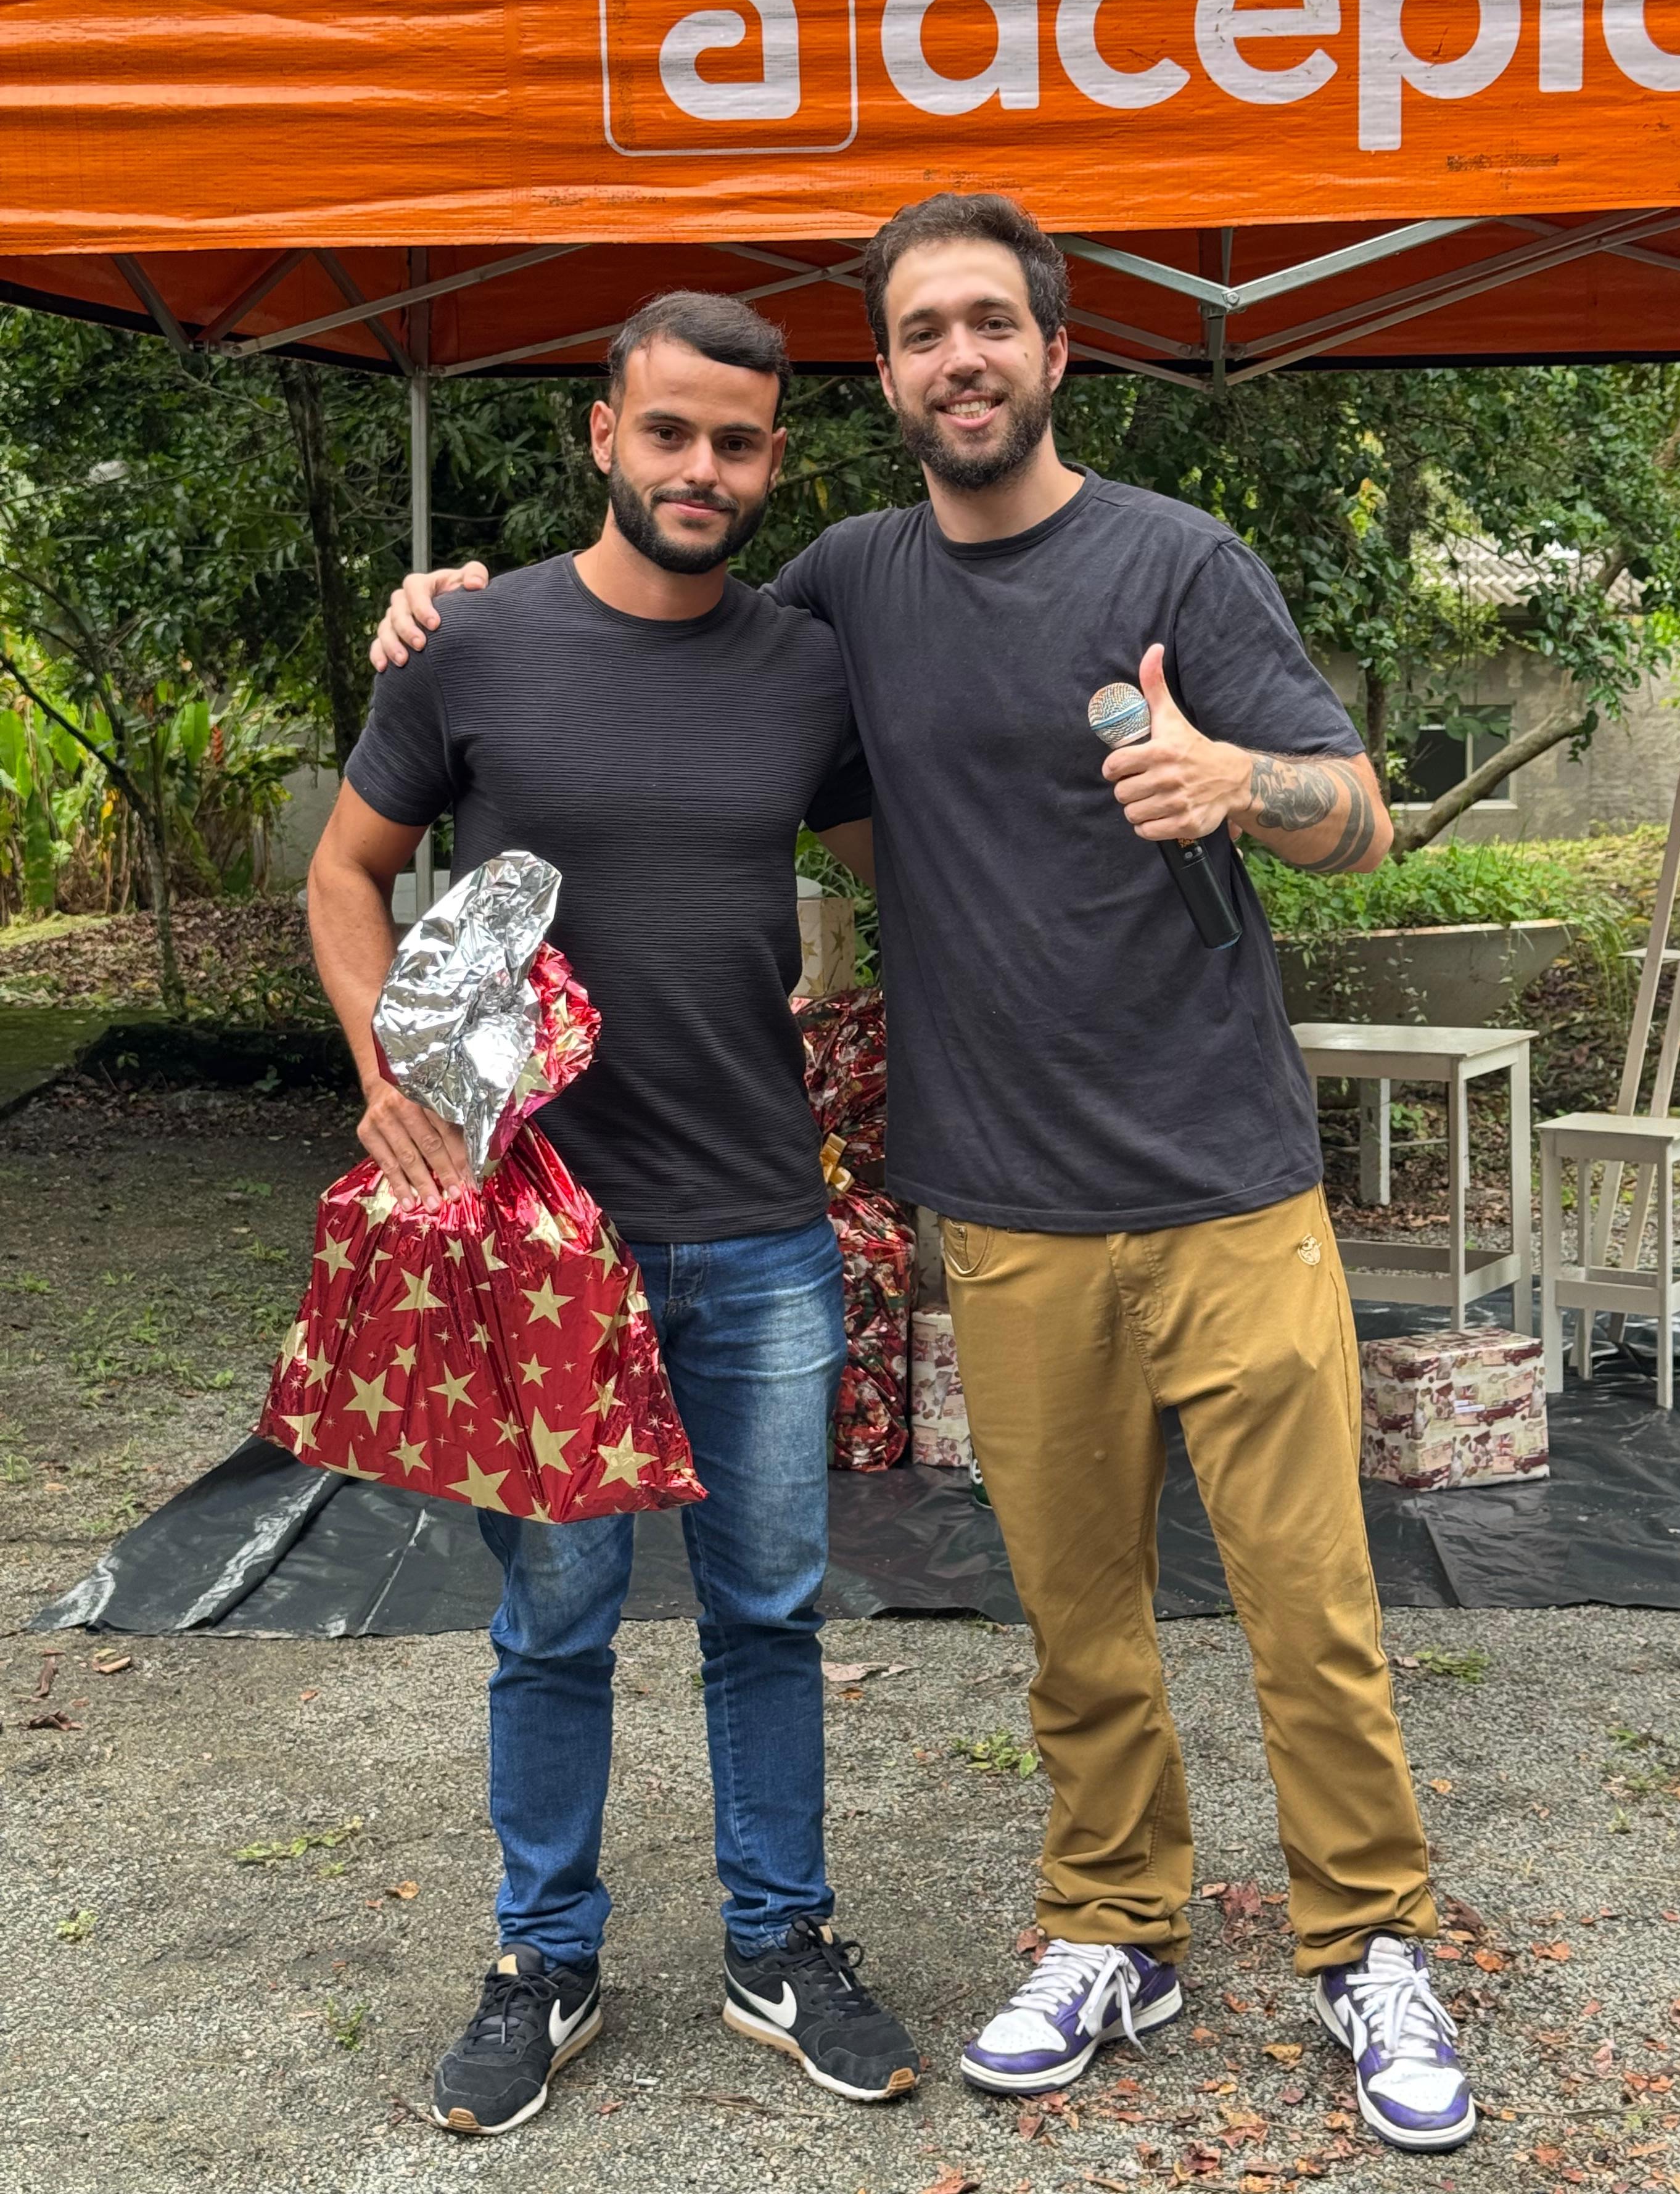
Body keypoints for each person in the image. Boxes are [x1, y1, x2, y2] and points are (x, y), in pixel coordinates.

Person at [371, 197, 1477, 2155]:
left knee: (1308, 1605)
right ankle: (1116, 1927)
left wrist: (1243, 783)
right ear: (883, 378)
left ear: (1056, 350)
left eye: (992, 322)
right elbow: (645, 616)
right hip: (1005, 1197)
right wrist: (448, 610)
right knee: (1077, 1617)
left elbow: (1367, 820)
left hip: (1224, 1179)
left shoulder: (1176, 560)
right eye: (923, 332)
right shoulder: (845, 593)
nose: (961, 357)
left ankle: (1370, 1944)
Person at [309, 291, 920, 2137]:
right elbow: (348, 874)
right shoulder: (475, 646)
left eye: (737, 442)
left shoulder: (805, 668)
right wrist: (390, 1072)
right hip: (542, 1228)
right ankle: (543, 1961)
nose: (700, 468)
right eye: (669, 432)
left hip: (760, 1221)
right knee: (557, 1613)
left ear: (774, 460)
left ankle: (778, 1942)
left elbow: (920, 872)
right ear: (603, 435)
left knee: (770, 1608)